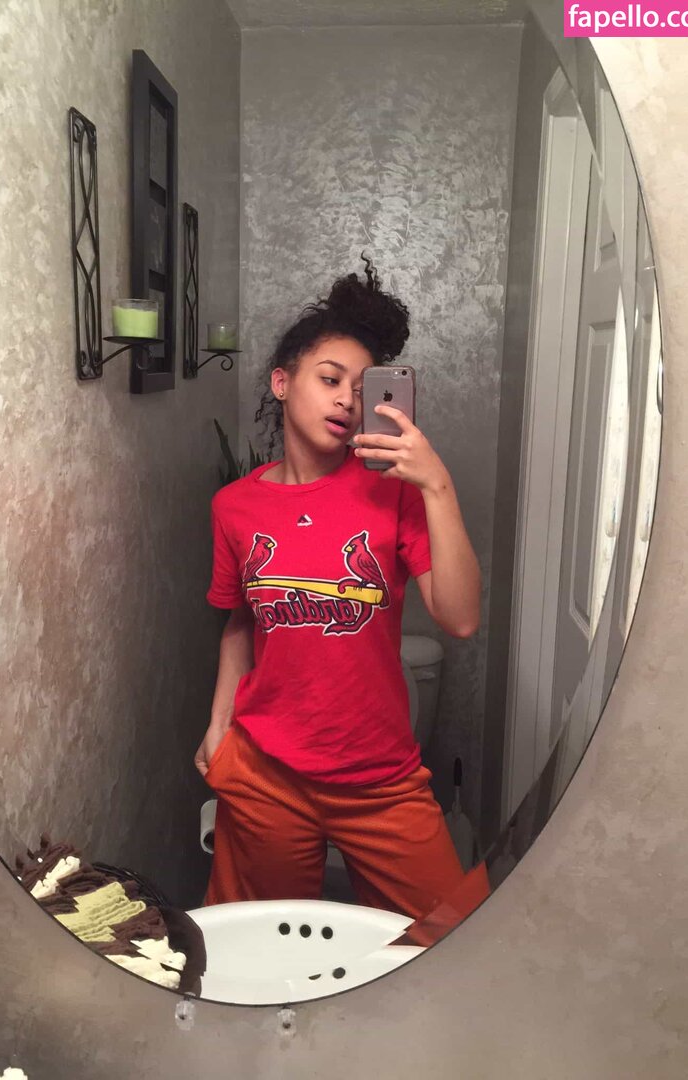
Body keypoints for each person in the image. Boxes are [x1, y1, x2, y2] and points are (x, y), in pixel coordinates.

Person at [195, 257, 491, 946]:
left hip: (379, 777)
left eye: (360, 391)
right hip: (267, 771)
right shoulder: (234, 506)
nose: (346, 402)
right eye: (329, 380)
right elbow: (240, 621)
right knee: (254, 948)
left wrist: (436, 485)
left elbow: (459, 618)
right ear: (282, 381)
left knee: (450, 944)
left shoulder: (394, 492)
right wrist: (218, 724)